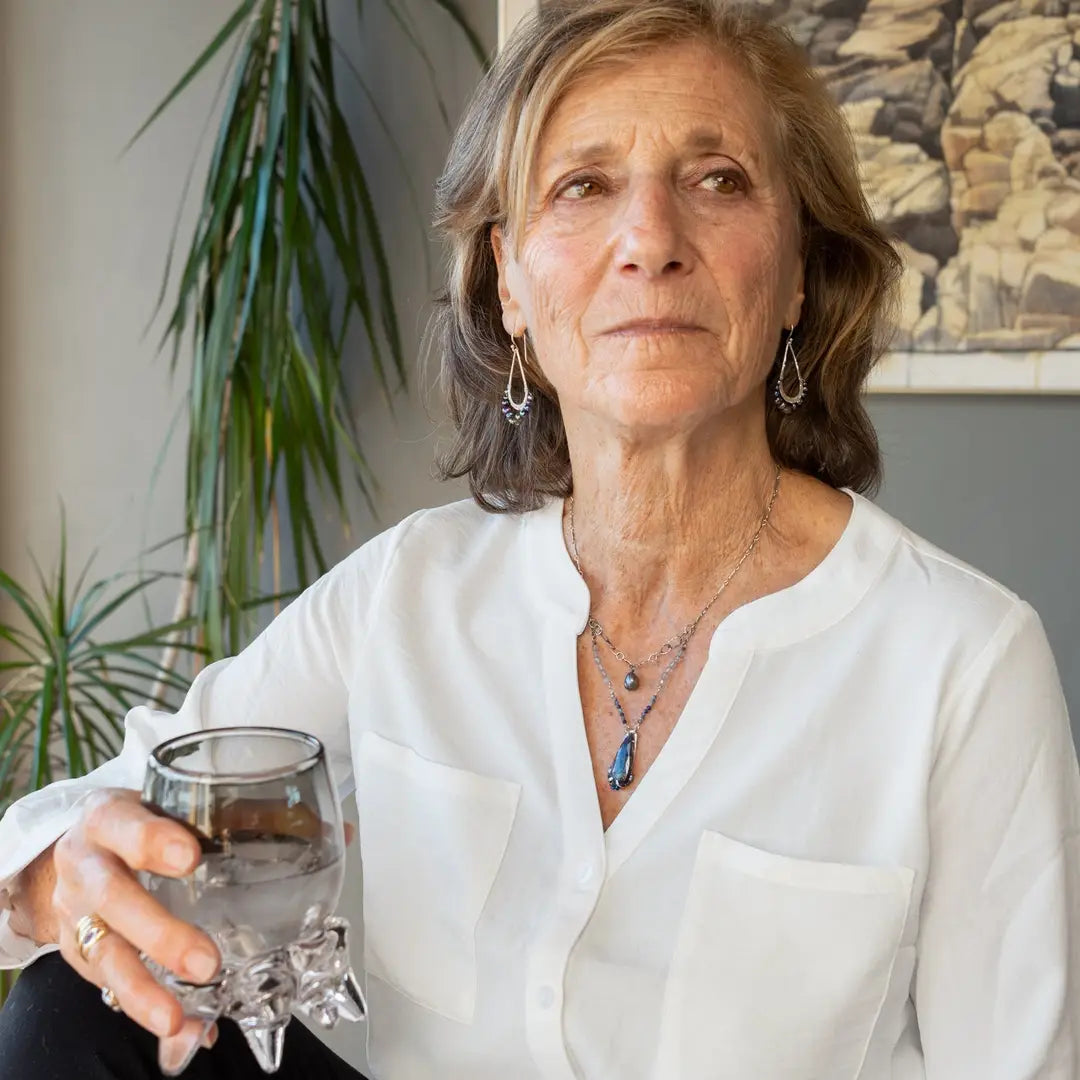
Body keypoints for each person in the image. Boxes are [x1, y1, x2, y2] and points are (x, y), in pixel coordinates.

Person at [1, 0, 1078, 1077]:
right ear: (509, 283)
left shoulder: (963, 664)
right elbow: (100, 822)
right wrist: (57, 878)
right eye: (584, 186)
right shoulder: (405, 596)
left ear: (798, 271)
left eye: (718, 180)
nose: (650, 240)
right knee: (66, 1010)